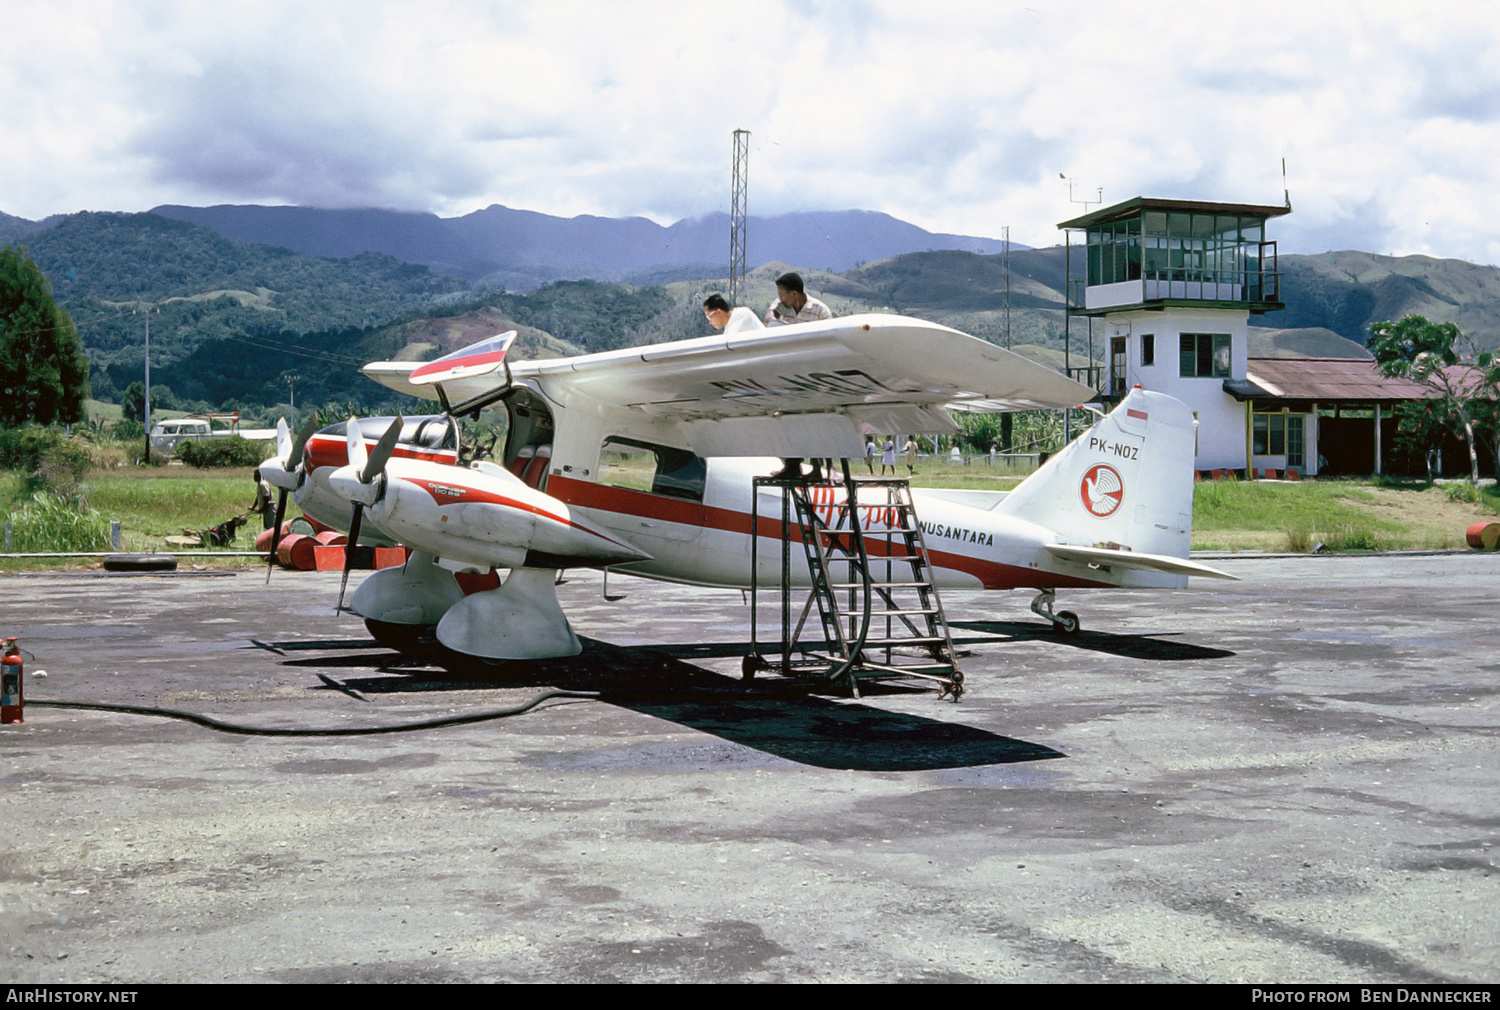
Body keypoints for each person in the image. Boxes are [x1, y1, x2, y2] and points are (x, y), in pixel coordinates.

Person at [763, 272, 832, 326]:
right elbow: (768, 317)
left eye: (782, 296)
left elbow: (830, 335)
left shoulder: (821, 311)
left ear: (794, 294)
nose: (780, 299)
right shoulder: (781, 304)